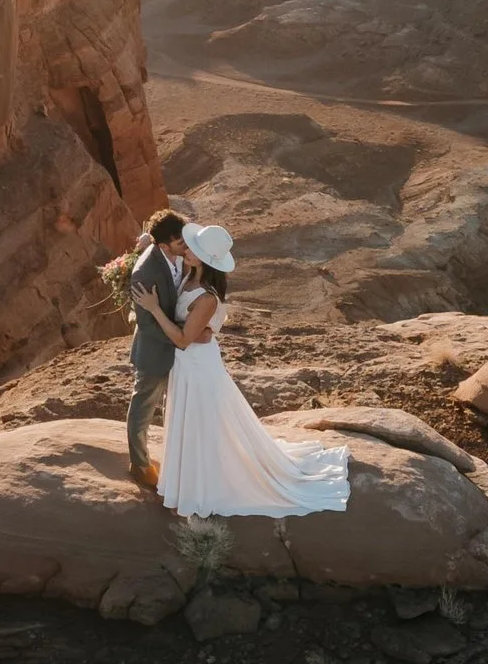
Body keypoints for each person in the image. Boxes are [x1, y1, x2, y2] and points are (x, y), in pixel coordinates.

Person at [134, 221, 350, 519]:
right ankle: (187, 483)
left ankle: (200, 488)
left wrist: (154, 308)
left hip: (197, 367)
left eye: (192, 248)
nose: (186, 249)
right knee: (190, 422)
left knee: (200, 424)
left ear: (204, 260)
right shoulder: (188, 275)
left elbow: (184, 339)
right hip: (188, 365)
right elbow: (169, 278)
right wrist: (146, 245)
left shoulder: (208, 297)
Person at [122, 209, 189, 489]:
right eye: (179, 243)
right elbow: (148, 325)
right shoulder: (144, 273)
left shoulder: (175, 255)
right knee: (143, 410)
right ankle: (139, 465)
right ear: (163, 246)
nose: (185, 246)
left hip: (179, 349)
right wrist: (181, 337)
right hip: (155, 352)